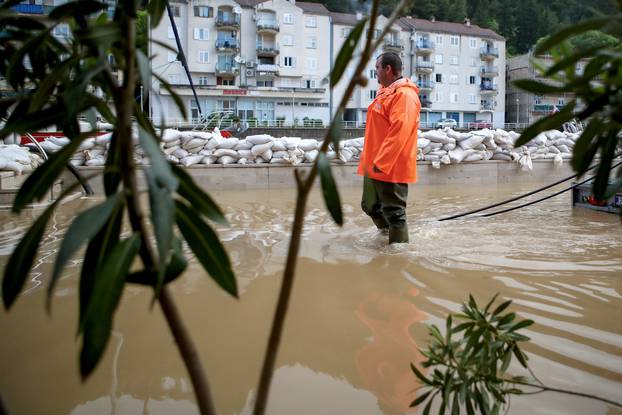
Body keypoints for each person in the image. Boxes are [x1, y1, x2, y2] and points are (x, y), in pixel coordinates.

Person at [357, 52, 421, 244]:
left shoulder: (405, 95)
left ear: (388, 69)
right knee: (370, 205)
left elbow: (399, 131)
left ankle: (398, 252)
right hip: (374, 163)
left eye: (377, 68)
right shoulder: (386, 92)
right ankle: (386, 235)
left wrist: (382, 163)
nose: (375, 72)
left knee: (394, 212)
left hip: (390, 165)